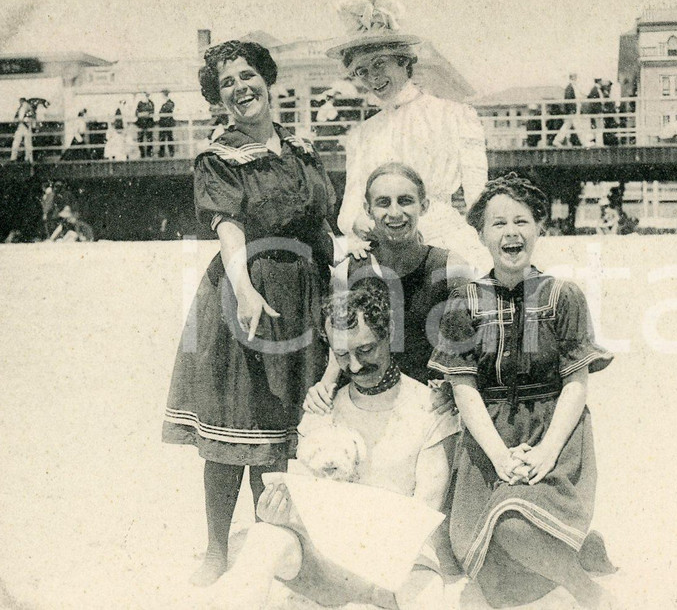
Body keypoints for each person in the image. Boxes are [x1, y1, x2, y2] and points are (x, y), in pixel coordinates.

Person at [161, 40, 338, 587]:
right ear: (219, 98)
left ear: (266, 79)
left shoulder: (302, 150)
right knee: (235, 423)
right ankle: (216, 548)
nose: (240, 88)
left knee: (283, 428)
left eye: (247, 76)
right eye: (227, 84)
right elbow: (227, 228)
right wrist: (242, 287)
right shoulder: (219, 154)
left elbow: (321, 223)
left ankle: (274, 543)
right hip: (249, 290)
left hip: (304, 293)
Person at [207, 283, 459, 610]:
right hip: (330, 570)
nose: (354, 366)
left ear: (389, 335)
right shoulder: (323, 407)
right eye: (342, 354)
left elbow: (426, 513)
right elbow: (304, 497)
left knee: (429, 595)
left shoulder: (430, 408)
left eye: (365, 350)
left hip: (399, 570)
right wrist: (278, 511)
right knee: (263, 538)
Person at [429, 173, 616, 609]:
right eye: (497, 224)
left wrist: (547, 452)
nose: (511, 232)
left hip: (554, 437)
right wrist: (498, 456)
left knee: (514, 525)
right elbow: (464, 388)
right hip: (487, 441)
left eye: (522, 221)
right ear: (480, 234)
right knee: (489, 570)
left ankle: (590, 593)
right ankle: (574, 552)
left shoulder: (563, 295)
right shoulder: (463, 301)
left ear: (539, 228)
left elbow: (576, 384)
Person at [303, 162, 473, 416]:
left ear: (423, 206)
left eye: (405, 201)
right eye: (383, 202)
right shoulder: (348, 271)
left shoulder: (450, 268)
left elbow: (467, 350)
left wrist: (454, 389)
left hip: (431, 408)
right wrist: (324, 388)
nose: (395, 213)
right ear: (368, 210)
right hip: (367, 405)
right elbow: (339, 345)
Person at [326, 0, 487, 261]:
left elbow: (479, 200)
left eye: (380, 64)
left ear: (403, 60)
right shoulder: (362, 135)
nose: (373, 78)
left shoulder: (455, 115)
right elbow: (349, 210)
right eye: (362, 71)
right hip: (385, 248)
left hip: (443, 244)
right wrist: (356, 221)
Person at [10, 97, 36, 162]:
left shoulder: (23, 107)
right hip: (26, 126)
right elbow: (33, 117)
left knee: (17, 142)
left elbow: (20, 118)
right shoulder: (29, 108)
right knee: (27, 143)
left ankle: (13, 158)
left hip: (23, 125)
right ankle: (28, 158)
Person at [135, 92, 155, 158]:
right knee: (140, 139)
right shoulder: (140, 103)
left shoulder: (151, 103)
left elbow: (151, 113)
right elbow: (137, 114)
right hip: (141, 123)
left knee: (149, 139)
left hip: (148, 123)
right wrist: (145, 114)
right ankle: (142, 153)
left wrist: (143, 114)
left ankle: (149, 154)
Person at [158, 89, 176, 157]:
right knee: (162, 139)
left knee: (169, 138)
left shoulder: (170, 103)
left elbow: (165, 112)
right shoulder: (165, 103)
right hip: (163, 123)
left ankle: (171, 153)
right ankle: (162, 153)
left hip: (167, 123)